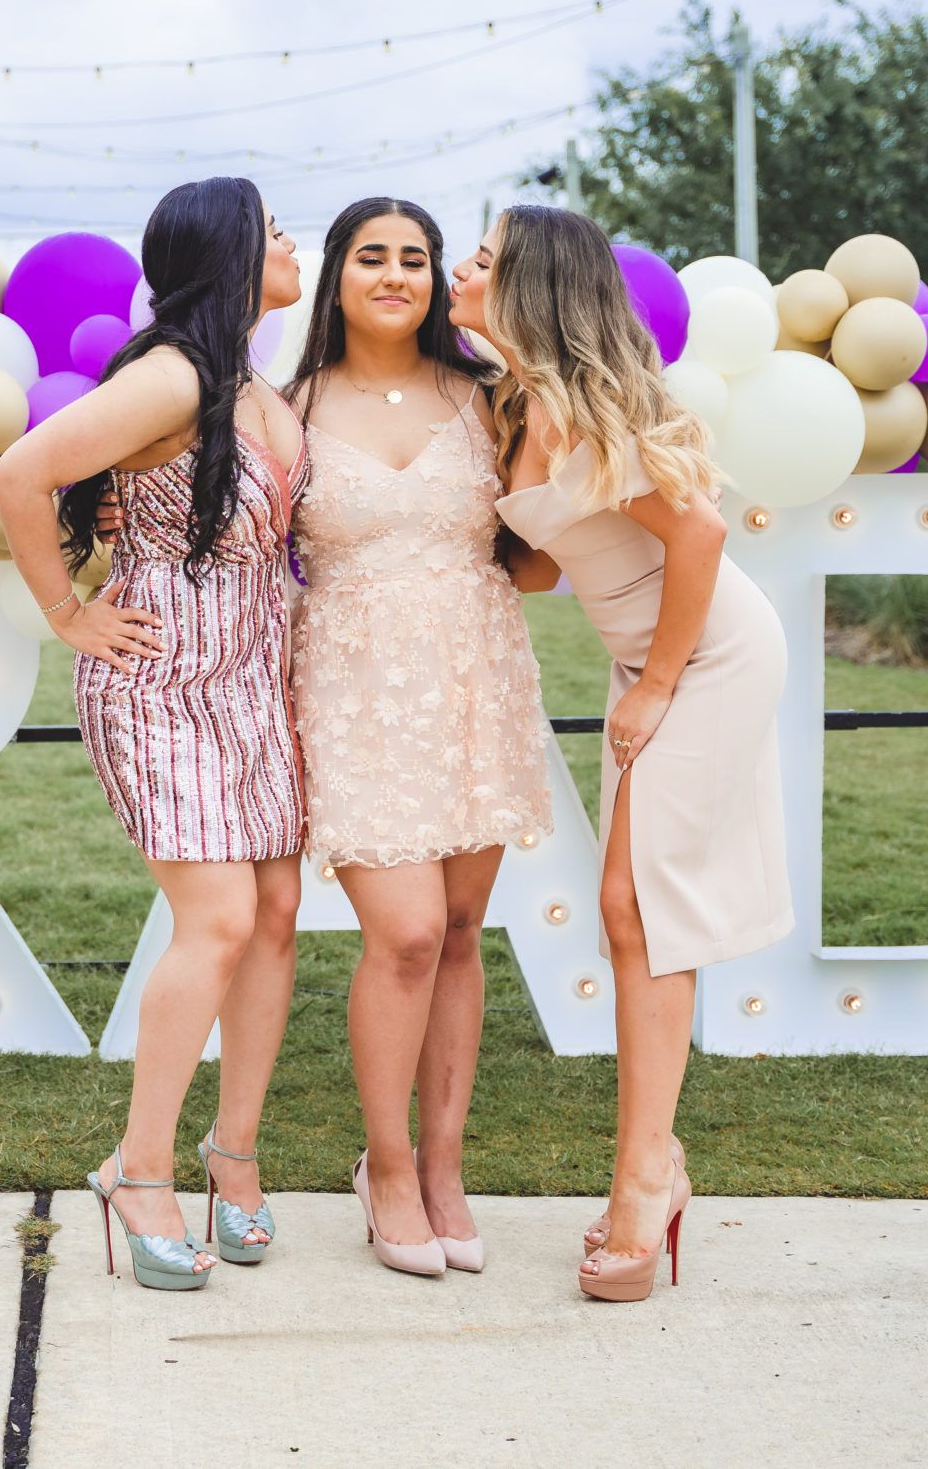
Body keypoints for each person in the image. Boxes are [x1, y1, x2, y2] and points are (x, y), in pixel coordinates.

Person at [457, 205, 792, 1304]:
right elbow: (552, 565)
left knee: (635, 902)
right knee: (635, 906)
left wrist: (654, 684)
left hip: (703, 656)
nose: (462, 267)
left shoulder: (573, 413)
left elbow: (699, 535)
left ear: (530, 287)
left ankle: (646, 1178)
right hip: (643, 656)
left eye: (485, 258)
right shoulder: (516, 406)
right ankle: (655, 1167)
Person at [0, 177, 308, 1291]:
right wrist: (69, 615)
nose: (294, 244)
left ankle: (235, 1158)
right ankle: (140, 1170)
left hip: (254, 683)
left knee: (274, 916)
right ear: (229, 253)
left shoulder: (254, 384)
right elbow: (18, 473)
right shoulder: (172, 373)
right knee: (218, 920)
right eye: (276, 232)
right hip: (162, 680)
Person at [281, 196, 553, 1277]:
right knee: (401, 932)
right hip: (348, 680)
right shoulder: (284, 405)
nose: (394, 273)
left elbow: (535, 562)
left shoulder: (490, 398)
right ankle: (384, 1166)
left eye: (415, 258)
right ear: (336, 276)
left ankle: (445, 1167)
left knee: (458, 929)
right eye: (370, 256)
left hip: (474, 673)